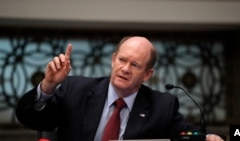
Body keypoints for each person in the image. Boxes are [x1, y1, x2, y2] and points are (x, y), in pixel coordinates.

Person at [16, 36, 225, 141]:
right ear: (113, 60)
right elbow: (31, 119)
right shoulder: (76, 89)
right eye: (122, 60)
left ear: (147, 74)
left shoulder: (162, 105)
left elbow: (187, 133)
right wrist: (48, 86)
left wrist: (208, 137)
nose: (125, 69)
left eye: (135, 65)